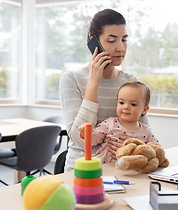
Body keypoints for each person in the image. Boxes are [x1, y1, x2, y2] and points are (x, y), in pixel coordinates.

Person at [59, 9, 149, 171]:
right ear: (94, 43)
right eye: (112, 40)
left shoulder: (131, 82)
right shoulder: (71, 79)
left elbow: (144, 134)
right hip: (83, 171)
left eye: (124, 39)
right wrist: (93, 83)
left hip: (123, 170)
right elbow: (79, 141)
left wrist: (128, 145)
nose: (120, 48)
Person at [79, 81, 160, 163]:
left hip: (131, 170)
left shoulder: (146, 131)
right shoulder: (110, 123)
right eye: (121, 103)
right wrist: (86, 133)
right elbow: (94, 139)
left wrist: (143, 150)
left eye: (133, 104)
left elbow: (157, 150)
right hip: (105, 167)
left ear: (144, 110)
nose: (126, 107)